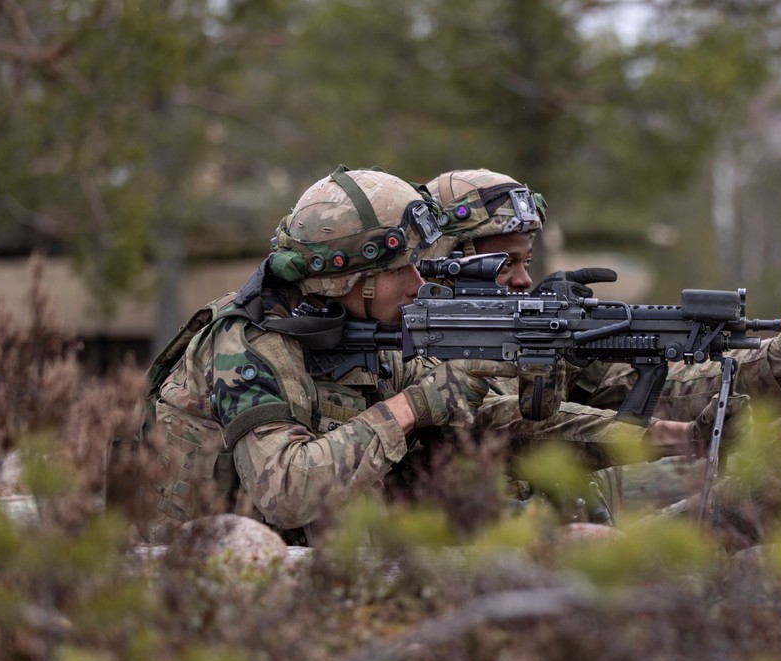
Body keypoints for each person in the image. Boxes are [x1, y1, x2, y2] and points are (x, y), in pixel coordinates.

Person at [425, 168, 781, 520]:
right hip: (483, 532)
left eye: (526, 263)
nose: (523, 280)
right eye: (505, 265)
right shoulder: (407, 344)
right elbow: (509, 423)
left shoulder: (525, 330)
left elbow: (668, 388)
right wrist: (673, 438)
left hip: (569, 502)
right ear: (445, 263)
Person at [142, 166, 514, 543]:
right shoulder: (249, 342)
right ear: (349, 277)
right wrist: (411, 408)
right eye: (401, 270)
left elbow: (465, 405)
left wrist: (536, 391)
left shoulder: (363, 330)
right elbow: (285, 492)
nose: (418, 285)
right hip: (196, 576)